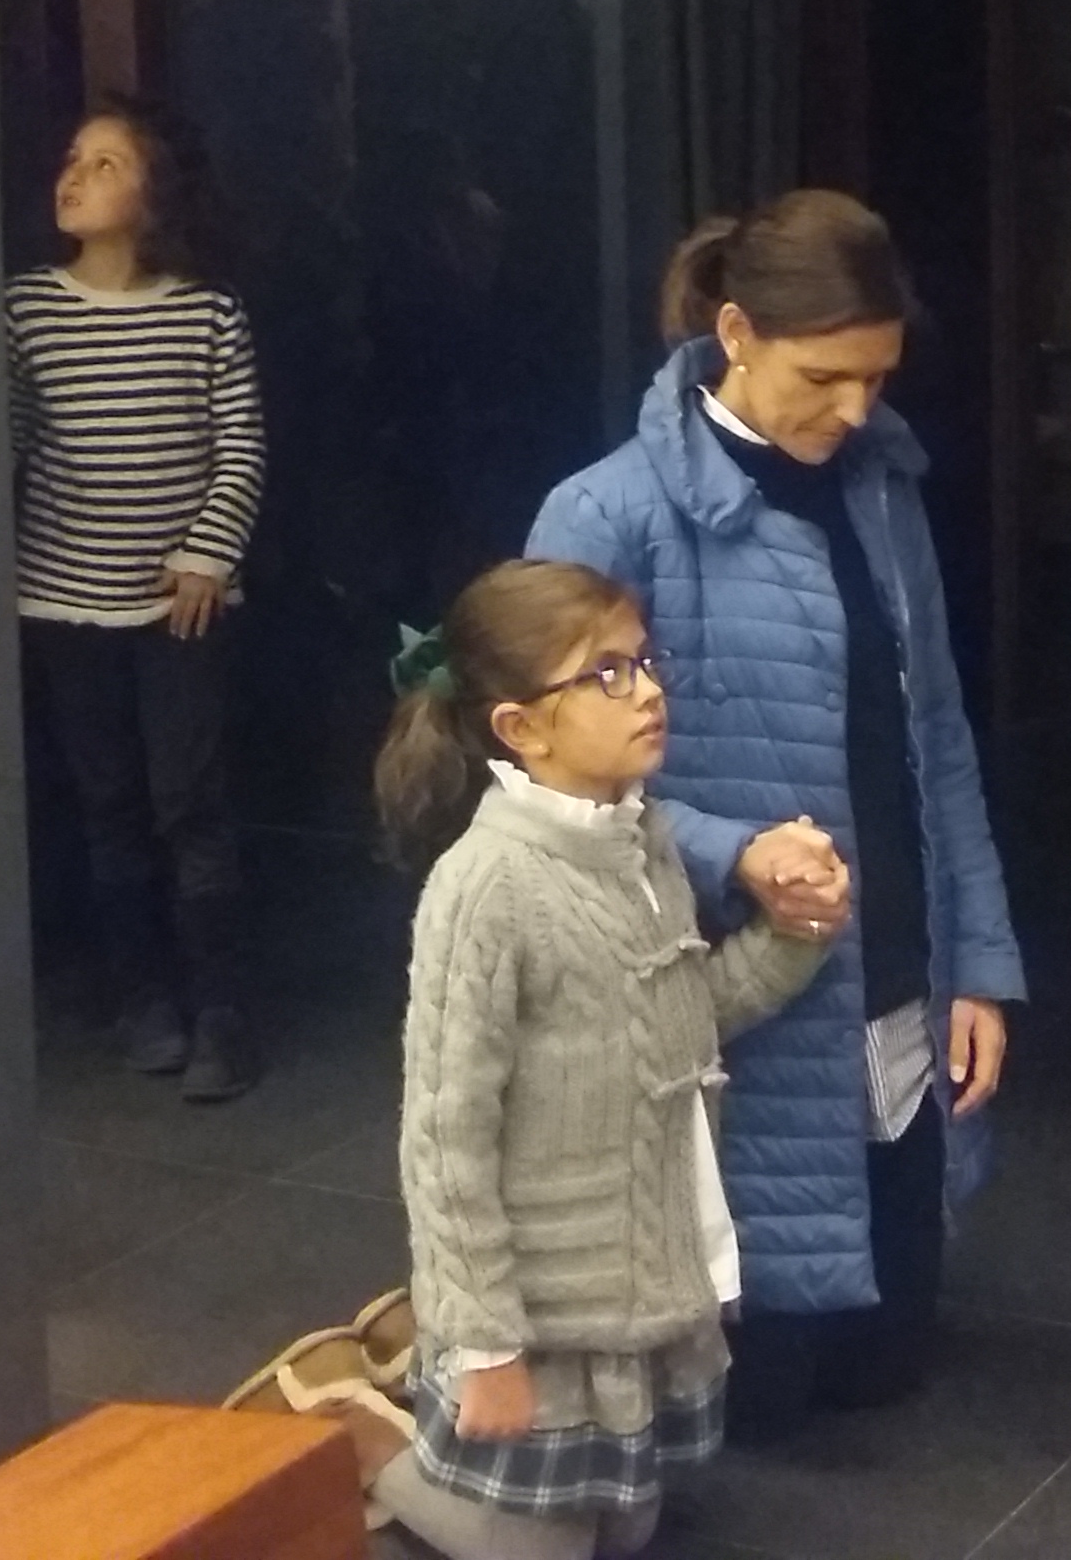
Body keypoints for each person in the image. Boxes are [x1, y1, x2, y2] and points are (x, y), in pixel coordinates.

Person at [525, 191, 1026, 1437]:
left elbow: (938, 734)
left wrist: (979, 963)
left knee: (892, 1355)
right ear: (736, 332)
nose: (854, 410)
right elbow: (557, 787)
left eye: (877, 377)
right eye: (824, 378)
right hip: (724, 972)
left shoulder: (882, 487)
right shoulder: (606, 514)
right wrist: (733, 853)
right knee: (763, 1391)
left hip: (890, 945)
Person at [336, 558, 845, 1560]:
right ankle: (372, 1442)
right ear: (520, 728)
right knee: (545, 1549)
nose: (646, 690)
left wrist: (798, 932)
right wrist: (485, 1343)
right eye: (606, 674)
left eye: (645, 661)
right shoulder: (487, 888)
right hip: (544, 1307)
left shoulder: (639, 838)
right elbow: (444, 1140)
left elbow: (681, 1019)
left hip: (636, 1280)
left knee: (630, 1523)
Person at [9, 98, 267, 1099]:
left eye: (105, 164)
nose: (74, 177)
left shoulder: (204, 311)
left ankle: (222, 1012)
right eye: (72, 160)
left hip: (179, 606)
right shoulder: (25, 309)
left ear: (154, 195)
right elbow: (7, 441)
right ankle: (141, 998)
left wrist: (207, 554)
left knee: (191, 806)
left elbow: (240, 445)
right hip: (65, 600)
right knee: (107, 805)